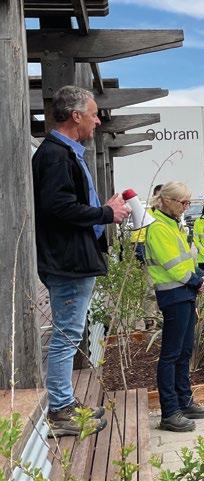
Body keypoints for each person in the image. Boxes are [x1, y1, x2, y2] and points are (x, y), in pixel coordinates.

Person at [32, 85, 130, 437]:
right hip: (68, 262)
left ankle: (65, 403)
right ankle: (60, 411)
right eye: (93, 114)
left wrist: (102, 210)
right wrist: (105, 213)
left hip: (71, 259)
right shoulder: (56, 155)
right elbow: (59, 207)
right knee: (66, 335)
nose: (97, 121)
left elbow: (65, 205)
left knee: (69, 334)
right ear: (76, 116)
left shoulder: (63, 153)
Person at [145, 182, 204, 431]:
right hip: (173, 295)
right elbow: (172, 266)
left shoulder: (172, 224)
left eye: (188, 202)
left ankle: (184, 402)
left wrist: (200, 274)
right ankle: (170, 412)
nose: (186, 207)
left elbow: (185, 260)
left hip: (184, 294)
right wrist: (196, 280)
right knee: (171, 355)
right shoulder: (158, 227)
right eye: (183, 202)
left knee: (184, 352)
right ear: (167, 201)